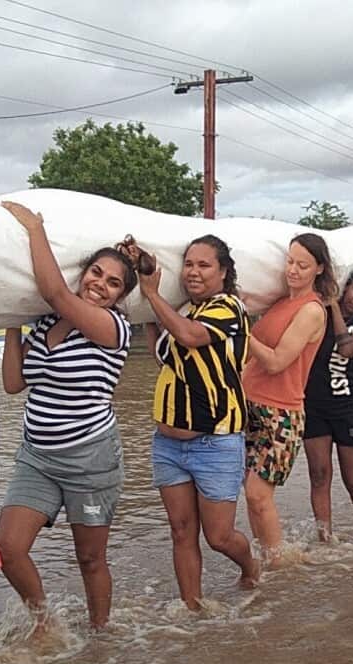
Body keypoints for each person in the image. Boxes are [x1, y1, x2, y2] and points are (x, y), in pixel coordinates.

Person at [0, 201, 137, 634]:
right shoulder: (46, 321)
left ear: (120, 295)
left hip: (90, 458)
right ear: (84, 272)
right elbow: (15, 383)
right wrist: (14, 315)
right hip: (36, 454)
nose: (101, 285)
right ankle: (45, 624)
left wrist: (36, 228)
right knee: (7, 549)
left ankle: (100, 636)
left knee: (90, 558)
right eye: (96, 273)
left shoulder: (113, 328)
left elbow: (56, 290)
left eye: (113, 283)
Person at [127, 235, 260, 609]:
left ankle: (251, 565)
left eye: (204, 265)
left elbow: (189, 336)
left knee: (218, 536)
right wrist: (145, 289)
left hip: (215, 441)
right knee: (182, 532)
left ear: (223, 272)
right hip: (168, 444)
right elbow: (166, 356)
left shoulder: (229, 308)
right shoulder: (184, 313)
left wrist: (152, 294)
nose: (194, 272)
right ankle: (192, 609)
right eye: (188, 264)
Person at [240, 233, 334, 564]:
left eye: (303, 265)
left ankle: (280, 567)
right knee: (251, 497)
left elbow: (278, 360)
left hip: (280, 414)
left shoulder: (311, 311)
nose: (293, 270)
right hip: (249, 405)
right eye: (290, 261)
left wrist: (239, 329)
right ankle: (265, 561)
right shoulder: (280, 303)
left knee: (258, 494)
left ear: (319, 269)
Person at [302, 263, 353, 539]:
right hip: (314, 403)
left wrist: (334, 306)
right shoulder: (316, 311)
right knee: (319, 474)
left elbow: (346, 348)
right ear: (346, 286)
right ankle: (325, 538)